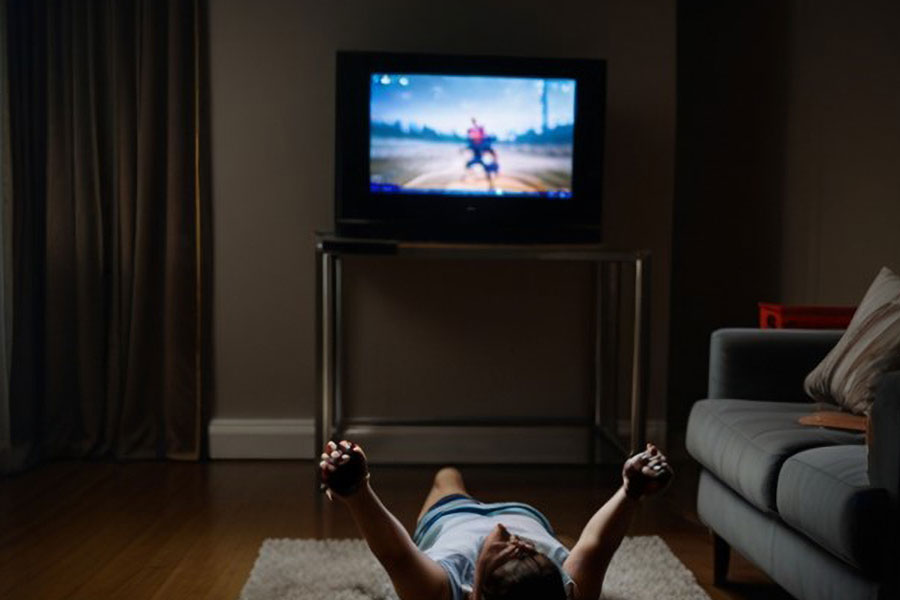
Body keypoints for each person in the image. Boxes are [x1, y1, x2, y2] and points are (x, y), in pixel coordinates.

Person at [319, 440, 673, 600]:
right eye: (530, 552)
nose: (506, 536)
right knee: (570, 544)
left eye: (506, 551)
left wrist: (356, 491)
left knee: (447, 476)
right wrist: (632, 489)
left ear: (478, 589)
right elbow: (597, 546)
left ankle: (450, 472)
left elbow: (394, 555)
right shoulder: (569, 592)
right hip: (525, 514)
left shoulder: (442, 591)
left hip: (453, 517)